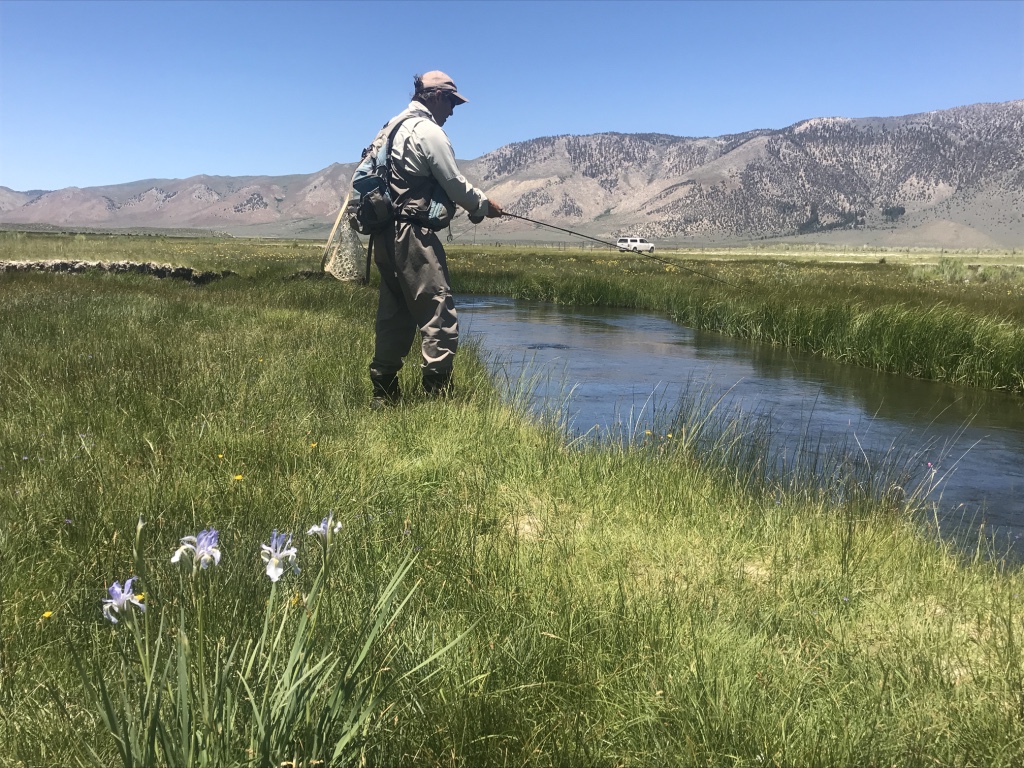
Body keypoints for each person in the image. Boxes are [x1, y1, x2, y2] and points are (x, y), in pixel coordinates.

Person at [364, 71, 503, 409]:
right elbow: (454, 183)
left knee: (394, 312)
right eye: (452, 102)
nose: (453, 110)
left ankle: (384, 394)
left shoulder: (389, 127)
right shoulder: (428, 132)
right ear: (436, 96)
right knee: (438, 309)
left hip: (383, 235)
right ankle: (436, 399)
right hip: (413, 235)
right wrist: (485, 206)